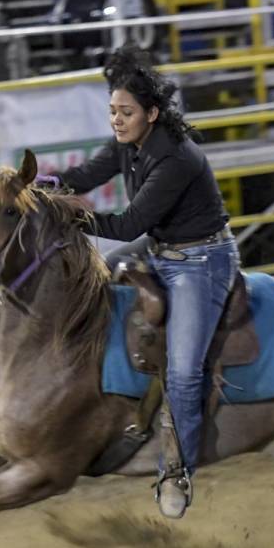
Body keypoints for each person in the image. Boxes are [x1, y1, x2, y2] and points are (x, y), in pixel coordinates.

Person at [37, 44, 239, 520]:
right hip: (163, 251)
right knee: (89, 286)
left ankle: (177, 470)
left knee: (186, 373)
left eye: (125, 112)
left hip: (201, 262)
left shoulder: (177, 159)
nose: (116, 120)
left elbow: (129, 226)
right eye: (111, 111)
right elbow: (85, 175)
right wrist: (42, 188)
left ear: (151, 113)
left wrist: (73, 218)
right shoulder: (130, 143)